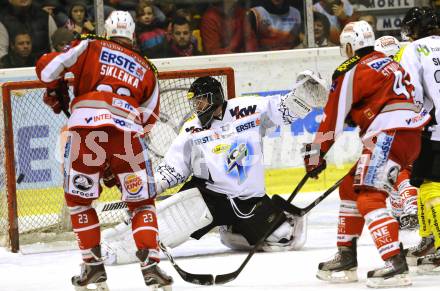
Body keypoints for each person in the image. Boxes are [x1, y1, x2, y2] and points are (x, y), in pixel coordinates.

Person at [101, 71, 330, 265]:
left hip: (249, 200)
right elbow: (174, 167)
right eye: (194, 103)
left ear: (215, 98)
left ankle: (235, 228)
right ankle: (116, 249)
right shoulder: (192, 129)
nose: (196, 107)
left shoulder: (247, 107)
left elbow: (282, 109)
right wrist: (153, 185)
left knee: (283, 237)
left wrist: (304, 96)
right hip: (209, 195)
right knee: (169, 224)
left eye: (200, 101)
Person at [34, 10, 173, 290]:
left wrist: (55, 88)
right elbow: (148, 119)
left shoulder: (90, 44)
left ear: (107, 30)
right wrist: (116, 156)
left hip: (86, 133)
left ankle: (93, 266)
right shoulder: (147, 67)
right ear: (132, 34)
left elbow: (46, 69)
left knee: (79, 202)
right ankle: (151, 265)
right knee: (142, 203)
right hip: (127, 138)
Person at [305, 20, 430, 288]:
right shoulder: (389, 62)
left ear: (349, 46)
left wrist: (315, 156)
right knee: (351, 187)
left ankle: (395, 263)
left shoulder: (350, 69)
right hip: (411, 136)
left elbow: (331, 119)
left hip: (387, 135)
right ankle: (346, 256)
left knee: (369, 195)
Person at [398, 6, 440, 273]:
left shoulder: (413, 50)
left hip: (432, 129)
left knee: (429, 184)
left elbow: (409, 94)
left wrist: (405, 123)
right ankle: (429, 240)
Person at [374, 35, 419, 231]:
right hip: (410, 124)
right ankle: (402, 210)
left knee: (394, 166)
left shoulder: (378, 74)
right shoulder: (408, 67)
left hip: (393, 125)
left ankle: (409, 208)